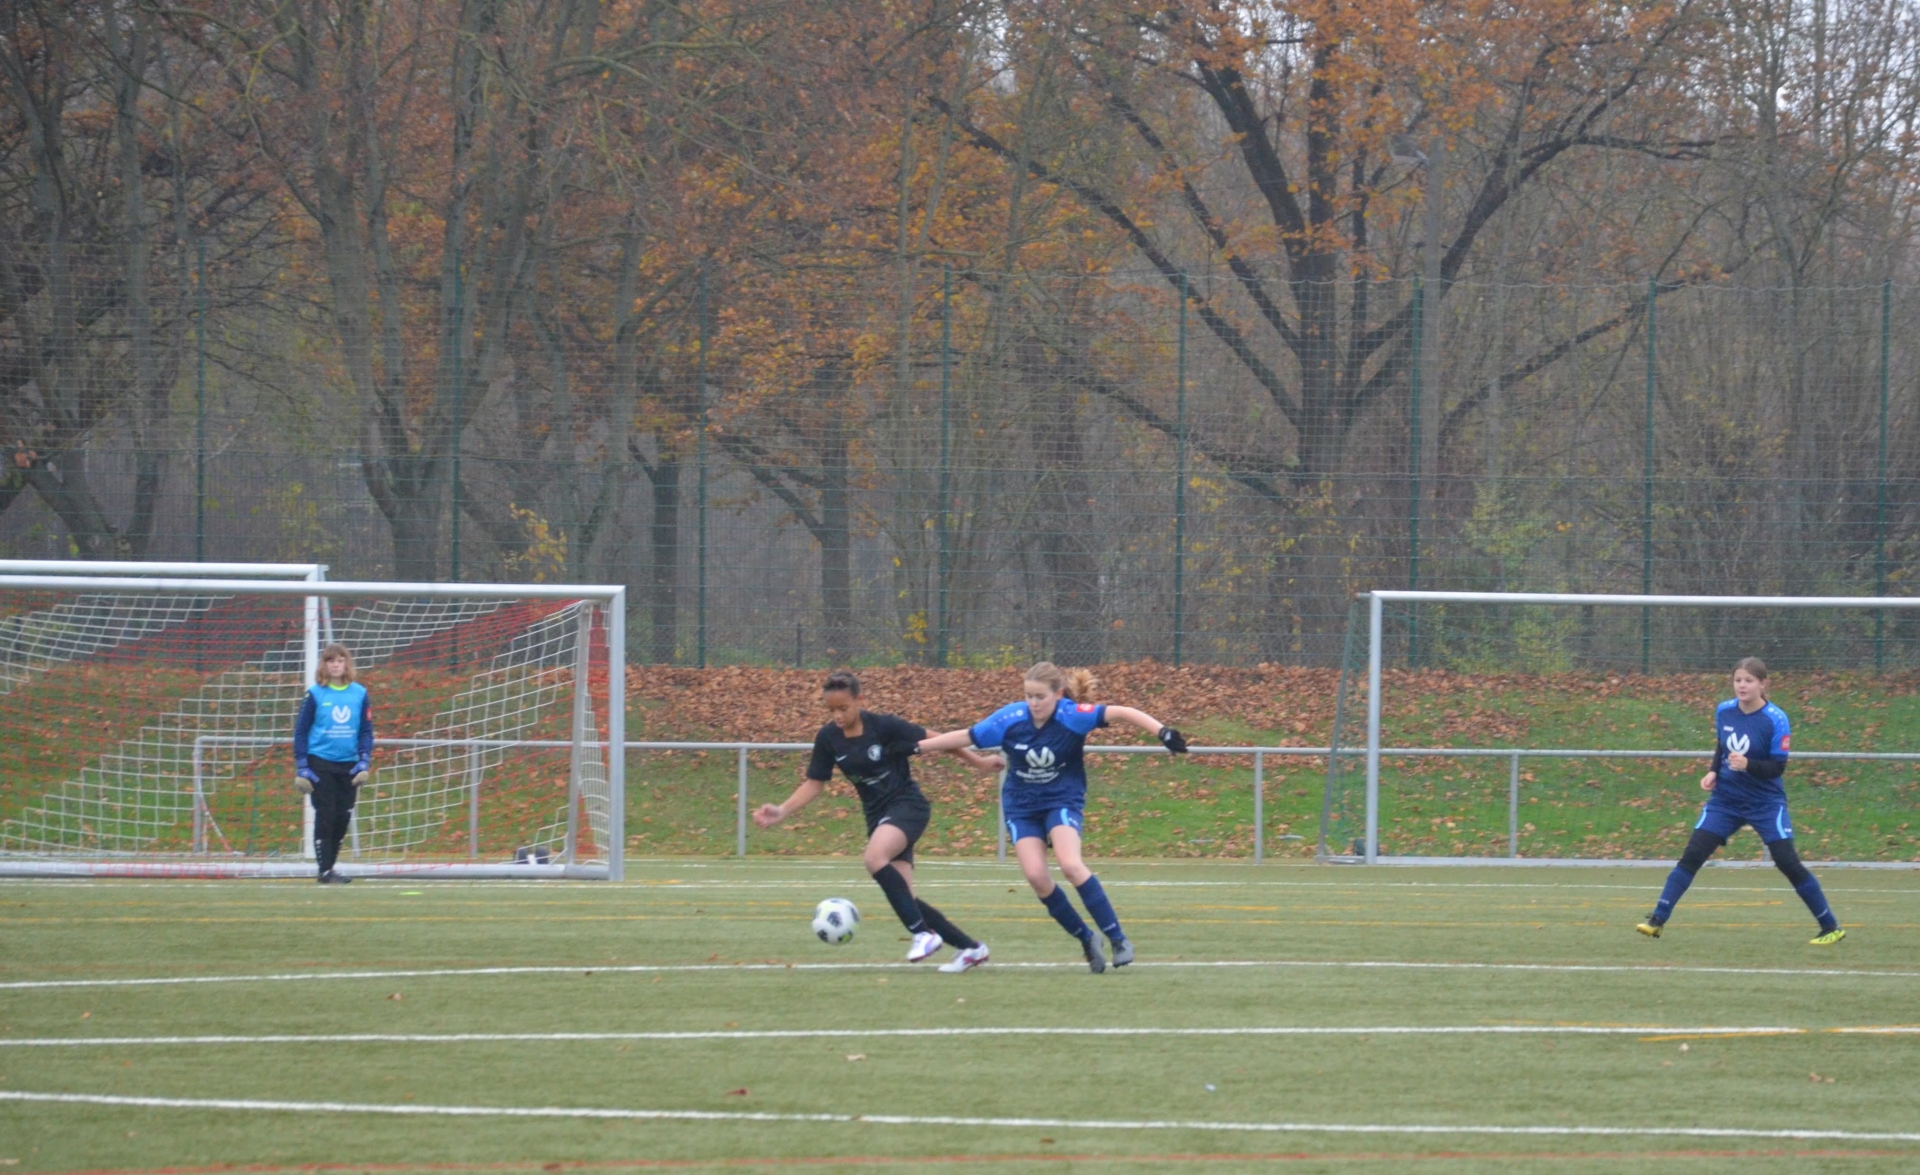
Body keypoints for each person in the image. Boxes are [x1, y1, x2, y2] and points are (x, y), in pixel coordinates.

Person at [917, 662, 1187, 973]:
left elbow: (1123, 711)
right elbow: (964, 736)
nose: (1033, 704)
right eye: (1028, 696)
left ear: (1058, 695)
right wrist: (915, 748)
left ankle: (1118, 939)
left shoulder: (1072, 715)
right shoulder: (1010, 718)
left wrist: (1162, 731)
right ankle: (1086, 938)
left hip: (1061, 799)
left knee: (1071, 864)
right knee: (1037, 877)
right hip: (1021, 806)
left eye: (1040, 697)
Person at [755, 671, 999, 972]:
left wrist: (979, 761)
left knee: (873, 858)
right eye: (831, 710)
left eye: (843, 708)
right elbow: (815, 783)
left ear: (859, 700)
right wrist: (782, 810)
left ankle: (922, 934)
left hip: (908, 806)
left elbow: (937, 740)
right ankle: (971, 949)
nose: (837, 716)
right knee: (907, 899)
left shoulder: (884, 727)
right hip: (878, 815)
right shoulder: (828, 738)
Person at [1637, 657, 1843, 945]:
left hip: (1765, 803)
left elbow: (1777, 768)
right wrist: (1712, 772)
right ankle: (1656, 921)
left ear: (1762, 683)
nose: (1742, 685)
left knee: (1787, 862)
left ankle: (1830, 926)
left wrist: (1748, 764)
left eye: (1748, 680)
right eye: (1738, 680)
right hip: (1726, 801)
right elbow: (1722, 746)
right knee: (1693, 854)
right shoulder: (1724, 711)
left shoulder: (1776, 719)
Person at [293, 642, 374, 885]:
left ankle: (330, 867)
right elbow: (301, 731)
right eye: (330, 661)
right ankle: (325, 870)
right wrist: (302, 765)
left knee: (342, 816)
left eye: (339, 661)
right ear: (324, 665)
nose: (335, 665)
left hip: (348, 765)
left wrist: (364, 761)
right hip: (320, 763)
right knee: (326, 814)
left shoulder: (359, 693)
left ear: (346, 664)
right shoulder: (315, 694)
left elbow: (366, 730)